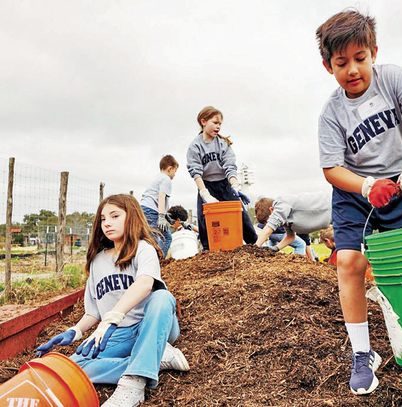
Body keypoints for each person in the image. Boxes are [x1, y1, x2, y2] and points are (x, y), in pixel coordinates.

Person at [316, 10, 402, 398]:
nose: (353, 69)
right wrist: (366, 185)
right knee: (349, 262)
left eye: (360, 58)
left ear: (374, 52)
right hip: (356, 192)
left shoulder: (393, 80)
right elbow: (330, 168)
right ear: (328, 67)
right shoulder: (331, 113)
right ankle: (362, 354)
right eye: (342, 63)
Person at [36, 194, 190, 407]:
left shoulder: (143, 249)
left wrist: (112, 319)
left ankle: (133, 385)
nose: (107, 222)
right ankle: (153, 359)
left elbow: (146, 284)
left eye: (115, 216)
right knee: (74, 367)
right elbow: (93, 312)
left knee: (162, 296)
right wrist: (75, 331)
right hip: (120, 334)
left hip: (153, 326)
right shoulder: (97, 261)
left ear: (132, 217)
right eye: (102, 219)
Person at [186, 106, 258, 250]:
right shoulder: (195, 146)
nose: (218, 126)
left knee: (240, 214)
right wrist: (204, 192)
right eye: (215, 122)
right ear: (203, 121)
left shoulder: (222, 144)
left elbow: (229, 166)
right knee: (204, 218)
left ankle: (254, 245)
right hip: (206, 186)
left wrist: (235, 185)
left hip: (225, 185)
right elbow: (196, 171)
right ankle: (208, 251)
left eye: (220, 124)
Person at [254, 192, 332, 251]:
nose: (269, 223)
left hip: (333, 208)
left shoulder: (281, 203)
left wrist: (254, 248)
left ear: (272, 209)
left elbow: (269, 228)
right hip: (331, 219)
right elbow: (290, 237)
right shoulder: (286, 218)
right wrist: (275, 249)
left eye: (268, 220)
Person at [140, 155, 179, 257]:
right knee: (160, 239)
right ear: (170, 168)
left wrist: (166, 217)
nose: (175, 174)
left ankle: (155, 260)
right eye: (175, 171)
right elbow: (161, 197)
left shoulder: (158, 177)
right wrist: (161, 217)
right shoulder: (166, 179)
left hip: (144, 209)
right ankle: (156, 262)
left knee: (157, 237)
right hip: (151, 211)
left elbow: (160, 201)